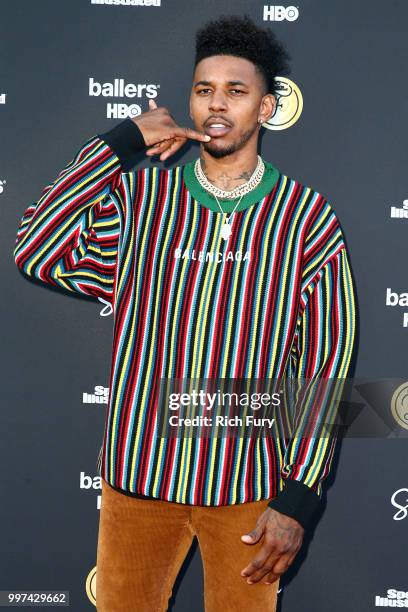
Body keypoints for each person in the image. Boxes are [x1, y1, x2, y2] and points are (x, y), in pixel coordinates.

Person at [13, 14, 358, 612]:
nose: (216, 104)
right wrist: (123, 143)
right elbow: (36, 247)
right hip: (138, 481)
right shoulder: (143, 200)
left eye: (236, 90)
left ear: (267, 109)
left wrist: (300, 495)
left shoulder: (306, 218)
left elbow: (327, 361)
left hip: (248, 488)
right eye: (204, 90)